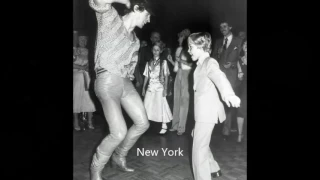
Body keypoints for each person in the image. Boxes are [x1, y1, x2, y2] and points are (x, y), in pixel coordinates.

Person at [88, 0, 153, 180]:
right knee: (118, 132)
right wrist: (124, 0)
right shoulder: (110, 18)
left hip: (125, 84)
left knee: (142, 123)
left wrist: (130, 76)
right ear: (137, 9)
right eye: (148, 15)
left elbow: (131, 67)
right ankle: (95, 169)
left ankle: (119, 156)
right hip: (107, 81)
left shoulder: (136, 42)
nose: (148, 21)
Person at [188, 32, 240, 180]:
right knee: (197, 138)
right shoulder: (200, 64)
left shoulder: (209, 62)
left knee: (198, 151)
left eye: (191, 47)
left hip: (207, 113)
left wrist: (228, 94)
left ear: (201, 46)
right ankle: (213, 168)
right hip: (204, 112)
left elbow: (219, 77)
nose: (189, 50)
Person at [212, 21, 243, 141]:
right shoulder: (218, 42)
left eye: (225, 26)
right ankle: (216, 125)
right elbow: (213, 58)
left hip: (232, 75)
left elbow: (241, 58)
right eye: (220, 27)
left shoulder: (238, 41)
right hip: (219, 75)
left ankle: (226, 130)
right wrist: (218, 55)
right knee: (217, 99)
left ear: (230, 27)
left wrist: (233, 64)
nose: (222, 29)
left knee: (229, 100)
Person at [142, 41, 173, 135]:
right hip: (150, 87)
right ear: (152, 50)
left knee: (161, 105)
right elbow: (146, 76)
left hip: (160, 87)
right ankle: (144, 125)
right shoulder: (149, 62)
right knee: (146, 105)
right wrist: (143, 88)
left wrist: (166, 89)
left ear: (161, 51)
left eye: (157, 50)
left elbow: (167, 76)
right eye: (154, 50)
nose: (155, 52)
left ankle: (164, 125)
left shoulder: (163, 63)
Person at [170, 29, 193, 135]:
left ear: (184, 38)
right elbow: (176, 65)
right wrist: (171, 60)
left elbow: (191, 64)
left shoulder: (189, 49)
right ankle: (174, 125)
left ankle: (181, 127)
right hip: (178, 73)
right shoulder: (178, 49)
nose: (178, 38)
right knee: (176, 100)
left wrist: (181, 61)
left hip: (186, 74)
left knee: (184, 102)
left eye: (180, 36)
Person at [73, 35, 96, 131]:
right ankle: (76, 122)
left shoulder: (89, 51)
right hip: (76, 75)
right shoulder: (75, 50)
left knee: (88, 98)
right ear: (78, 41)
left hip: (86, 75)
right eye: (81, 39)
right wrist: (81, 67)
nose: (83, 41)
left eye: (85, 39)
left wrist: (88, 67)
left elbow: (92, 63)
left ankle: (90, 121)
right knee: (76, 97)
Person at [236, 39, 247, 143]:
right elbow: (240, 77)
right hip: (244, 88)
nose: (246, 46)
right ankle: (239, 135)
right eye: (244, 44)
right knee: (241, 110)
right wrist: (240, 74)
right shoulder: (239, 61)